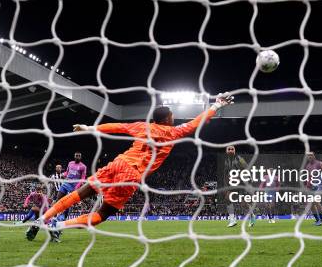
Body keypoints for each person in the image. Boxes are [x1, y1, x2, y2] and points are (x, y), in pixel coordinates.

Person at [34, 93, 234, 235]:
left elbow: (116, 127)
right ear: (166, 119)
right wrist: (215, 106)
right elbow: (196, 123)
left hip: (118, 162)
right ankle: (57, 226)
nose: (174, 118)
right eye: (172, 116)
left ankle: (43, 218)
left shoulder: (142, 126)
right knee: (102, 214)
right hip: (131, 174)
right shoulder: (173, 132)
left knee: (82, 192)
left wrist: (89, 127)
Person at [222, 145, 249, 227]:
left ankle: (251, 215)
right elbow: (225, 174)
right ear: (226, 151)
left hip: (241, 184)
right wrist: (225, 185)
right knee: (227, 199)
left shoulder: (240, 159)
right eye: (229, 149)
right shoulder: (226, 161)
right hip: (232, 184)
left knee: (243, 204)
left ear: (234, 151)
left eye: (232, 149)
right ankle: (232, 220)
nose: (230, 150)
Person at [304, 152, 322, 226]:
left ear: (314, 156)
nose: (310, 156)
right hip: (312, 187)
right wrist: (307, 187)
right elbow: (309, 177)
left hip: (320, 185)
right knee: (311, 204)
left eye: (311, 155)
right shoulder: (307, 166)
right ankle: (318, 220)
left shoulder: (319, 163)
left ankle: (321, 220)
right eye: (308, 155)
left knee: (315, 200)